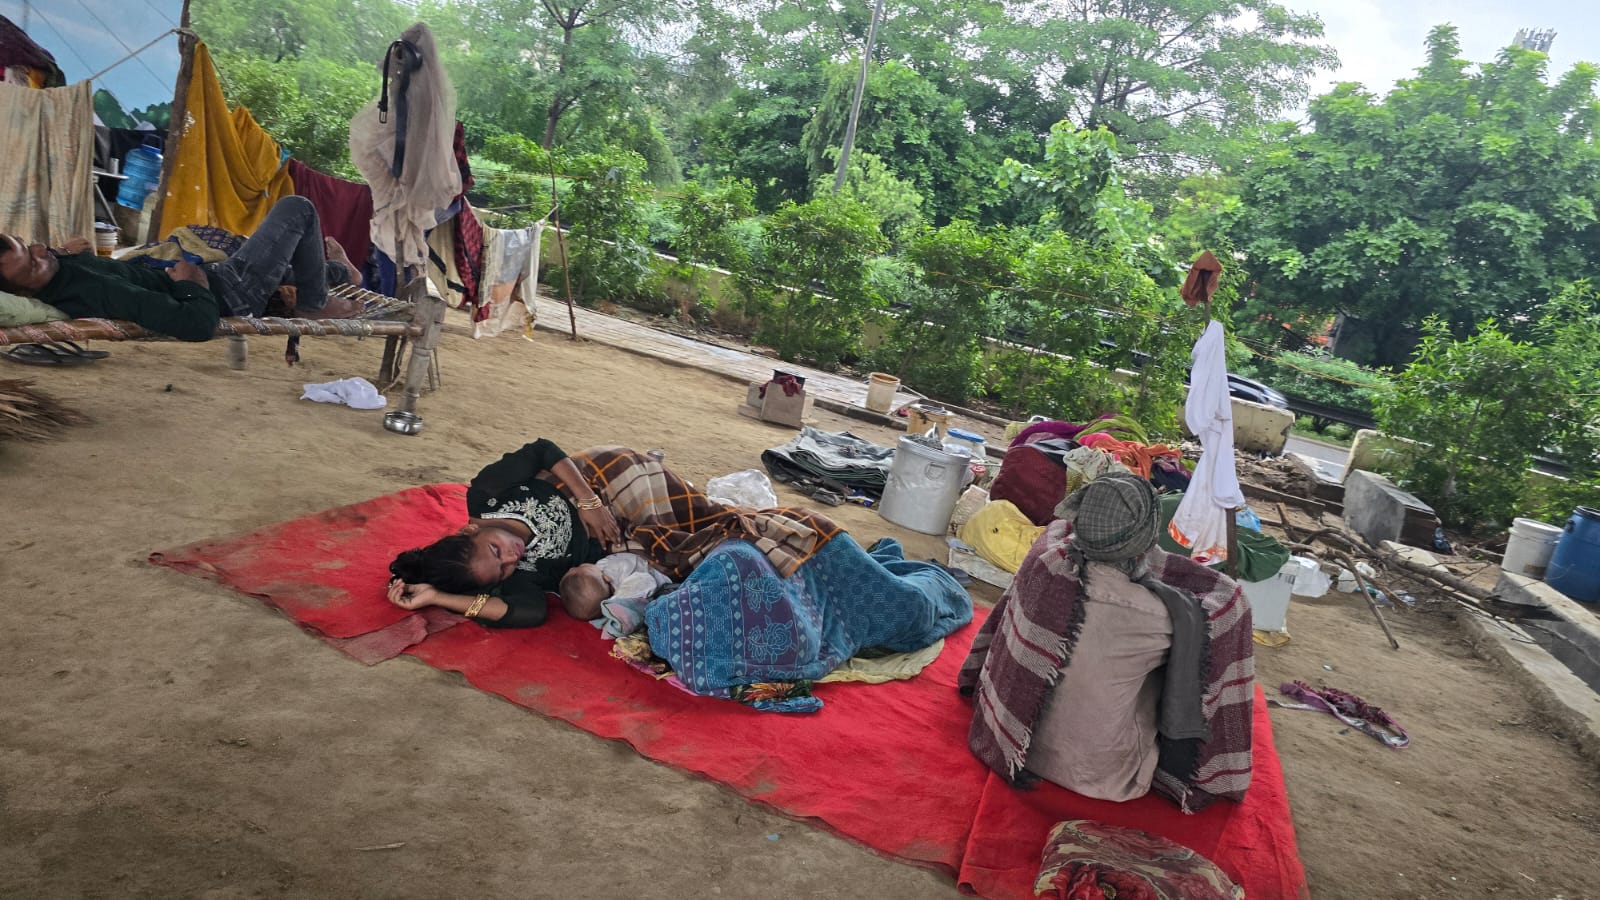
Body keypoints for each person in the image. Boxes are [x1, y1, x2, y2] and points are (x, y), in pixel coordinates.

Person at [960, 471, 1255, 810]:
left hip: (1014, 742)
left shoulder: (1047, 560)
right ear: (1147, 536)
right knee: (1184, 663)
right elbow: (1224, 607)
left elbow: (1061, 531)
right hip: (1105, 777)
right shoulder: (1158, 616)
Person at [0, 196, 363, 342]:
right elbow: (196, 326)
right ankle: (313, 304)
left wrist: (61, 252)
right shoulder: (98, 292)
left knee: (290, 266)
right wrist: (195, 284)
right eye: (32, 262)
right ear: (25, 293)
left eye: (27, 242)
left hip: (223, 280)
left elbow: (51, 257)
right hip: (231, 293)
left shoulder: (56, 270)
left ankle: (343, 274)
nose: (40, 250)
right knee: (297, 209)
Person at [388, 439, 622, 628]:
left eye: (495, 549)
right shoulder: (518, 577)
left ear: (470, 530)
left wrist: (589, 501)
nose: (512, 558)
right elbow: (531, 612)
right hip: (617, 543)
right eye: (502, 570)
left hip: (593, 488)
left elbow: (542, 450)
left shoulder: (487, 494)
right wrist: (436, 597)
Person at [560, 551, 673, 638]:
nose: (572, 567)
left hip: (648, 566)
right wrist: (616, 600)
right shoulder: (611, 570)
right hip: (662, 580)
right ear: (606, 578)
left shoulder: (606, 567)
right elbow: (646, 582)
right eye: (578, 568)